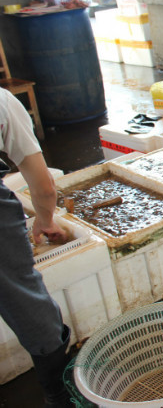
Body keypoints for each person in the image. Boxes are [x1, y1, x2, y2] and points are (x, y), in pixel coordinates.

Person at [0, 88, 71, 407]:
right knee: (27, 303)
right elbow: (43, 186)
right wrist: (45, 219)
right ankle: (60, 395)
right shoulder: (3, 102)